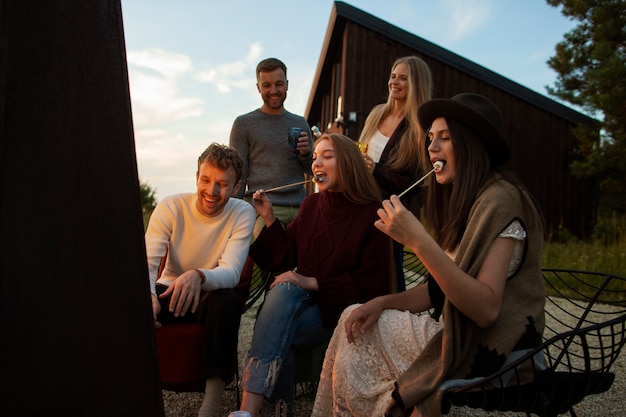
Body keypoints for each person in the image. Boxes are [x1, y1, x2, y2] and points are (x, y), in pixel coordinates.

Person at [312, 94, 546, 417]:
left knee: (354, 333)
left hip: (488, 348)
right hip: (459, 334)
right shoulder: (469, 202)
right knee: (357, 319)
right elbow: (438, 290)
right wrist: (381, 302)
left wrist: (418, 241)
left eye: (445, 138)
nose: (432, 147)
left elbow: (486, 309)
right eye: (430, 139)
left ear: (472, 143)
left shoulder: (501, 200)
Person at [237, 133, 394, 417]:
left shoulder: (372, 213)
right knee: (283, 295)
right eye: (314, 158)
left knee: (275, 326)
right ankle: (255, 411)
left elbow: (371, 286)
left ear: (347, 163)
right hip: (301, 301)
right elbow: (286, 256)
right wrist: (270, 218)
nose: (317, 163)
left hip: (338, 311)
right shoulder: (310, 206)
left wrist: (310, 281)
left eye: (327, 156)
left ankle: (257, 409)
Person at [145, 143, 255, 417]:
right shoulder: (171, 206)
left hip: (210, 295)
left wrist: (198, 275)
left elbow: (231, 271)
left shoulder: (242, 213)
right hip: (169, 290)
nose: (212, 191)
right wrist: (149, 298)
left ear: (236, 186)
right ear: (196, 177)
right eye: (205, 180)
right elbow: (147, 264)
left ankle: (210, 406)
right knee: (131, 303)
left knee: (227, 298)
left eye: (222, 184)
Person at [358, 56, 433, 291]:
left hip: (389, 217)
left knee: (390, 279)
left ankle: (397, 321)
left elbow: (416, 184)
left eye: (403, 78)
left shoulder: (420, 127)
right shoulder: (377, 113)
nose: (395, 82)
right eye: (393, 76)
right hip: (360, 205)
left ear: (416, 84)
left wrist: (375, 170)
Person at [229, 57, 314, 237]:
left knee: (308, 261)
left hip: (301, 208)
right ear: (258, 87)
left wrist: (306, 154)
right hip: (263, 207)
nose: (274, 90)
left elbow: (313, 171)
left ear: (287, 85)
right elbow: (237, 173)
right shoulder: (244, 124)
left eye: (279, 84)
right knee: (264, 262)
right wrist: (231, 212)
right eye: (266, 85)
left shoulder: (300, 123)